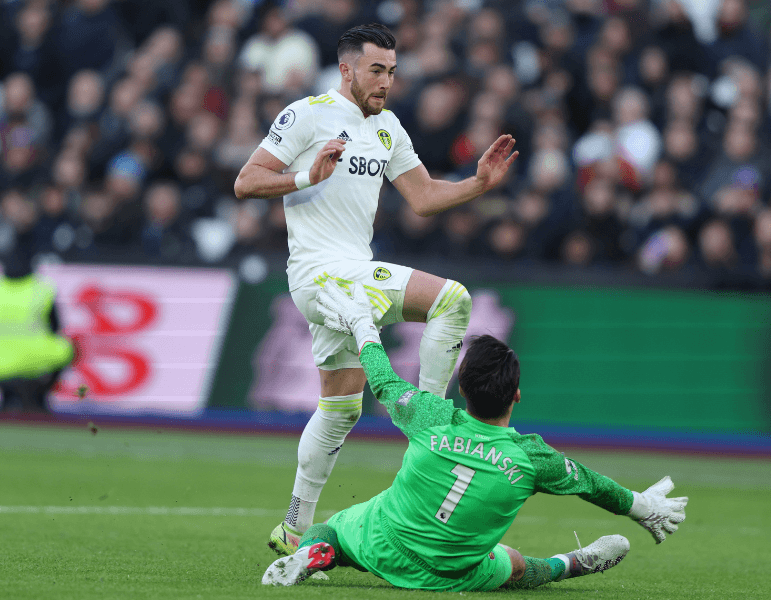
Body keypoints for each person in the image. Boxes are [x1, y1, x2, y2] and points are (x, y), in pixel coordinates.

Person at [233, 23, 519, 554]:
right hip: (319, 275)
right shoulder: (306, 114)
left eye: (391, 71)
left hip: (350, 280)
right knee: (451, 300)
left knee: (340, 409)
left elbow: (425, 197)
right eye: (376, 70)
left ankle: (293, 526)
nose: (386, 81)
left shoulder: (388, 127)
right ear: (347, 70)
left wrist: (477, 185)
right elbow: (246, 182)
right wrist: (304, 179)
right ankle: (433, 433)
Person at [260, 282, 688, 590]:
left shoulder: (431, 417)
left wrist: (362, 326)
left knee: (328, 530)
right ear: (517, 394)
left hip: (382, 542)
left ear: (462, 389)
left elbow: (384, 380)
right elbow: (594, 485)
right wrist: (643, 507)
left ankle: (318, 555)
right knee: (518, 567)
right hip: (452, 574)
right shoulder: (533, 458)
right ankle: (573, 564)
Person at [0, 250, 74, 412]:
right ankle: (42, 391)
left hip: (2, 363)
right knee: (69, 349)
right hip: (34, 361)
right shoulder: (41, 289)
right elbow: (55, 327)